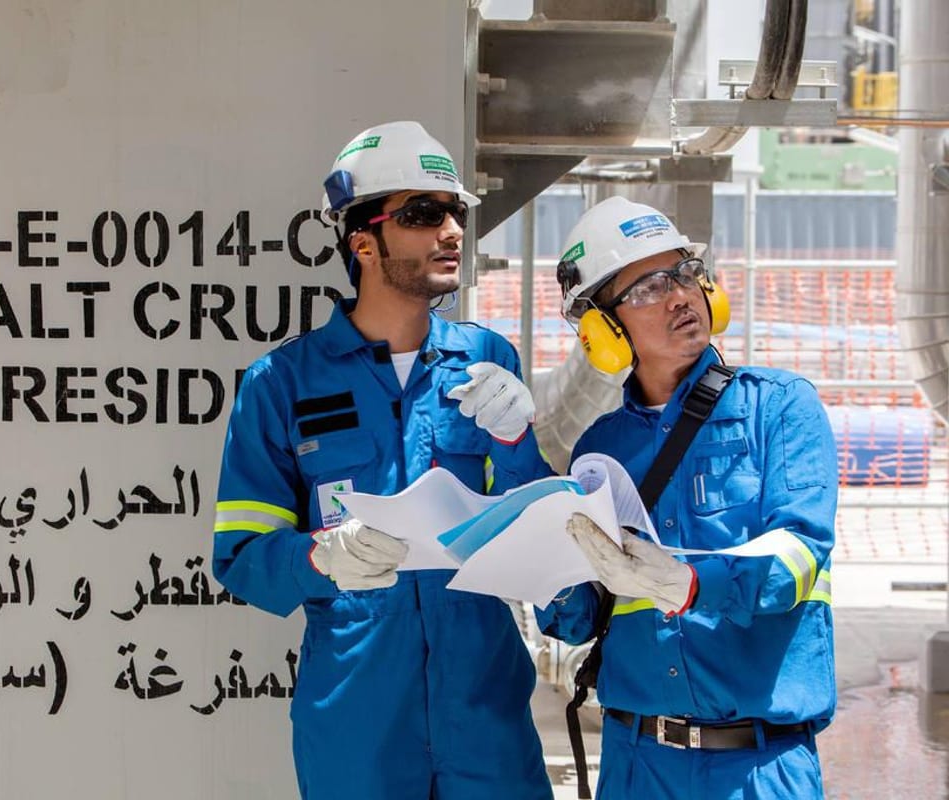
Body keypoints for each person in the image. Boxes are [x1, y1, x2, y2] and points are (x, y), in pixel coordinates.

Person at [211, 121, 555, 800]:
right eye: (424, 215)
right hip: (355, 724)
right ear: (362, 241)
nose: (451, 232)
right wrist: (320, 556)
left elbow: (531, 536)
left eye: (454, 212)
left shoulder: (489, 362)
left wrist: (518, 443)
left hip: (485, 714)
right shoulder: (281, 383)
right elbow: (242, 558)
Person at [530, 196, 837, 799]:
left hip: (759, 767)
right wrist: (544, 570)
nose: (678, 296)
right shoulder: (601, 449)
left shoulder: (779, 408)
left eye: (683, 274)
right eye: (646, 287)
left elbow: (801, 555)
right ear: (602, 327)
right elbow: (577, 618)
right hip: (638, 763)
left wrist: (690, 582)